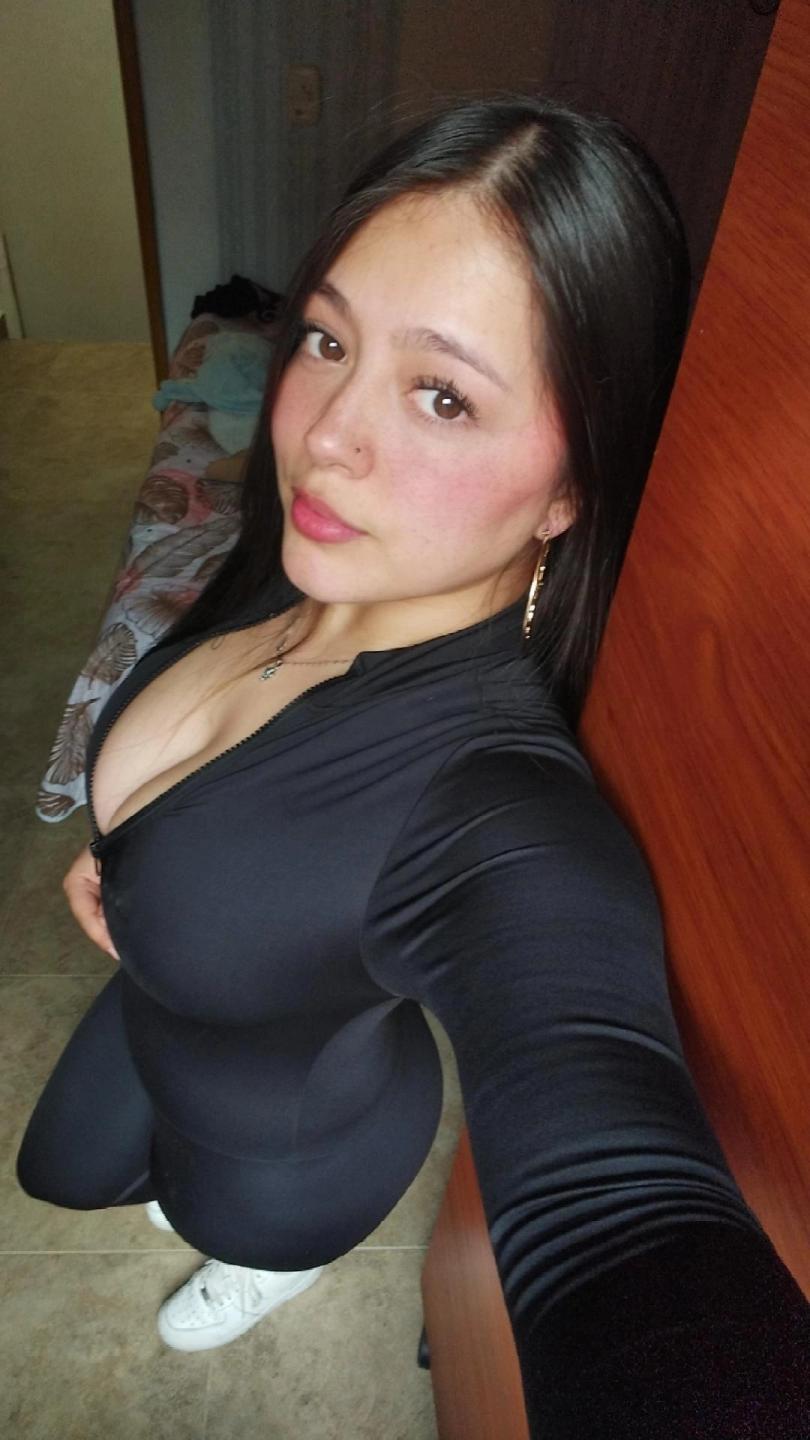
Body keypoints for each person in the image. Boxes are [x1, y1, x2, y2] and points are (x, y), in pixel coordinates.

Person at [17, 96, 809, 1436]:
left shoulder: (492, 812)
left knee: (216, 1217)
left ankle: (283, 1268)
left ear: (572, 487)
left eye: (443, 395)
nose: (324, 433)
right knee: (57, 1172)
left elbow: (622, 1214)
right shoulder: (306, 552)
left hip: (294, 1151)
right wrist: (132, 855)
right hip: (157, 1010)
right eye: (328, 339)